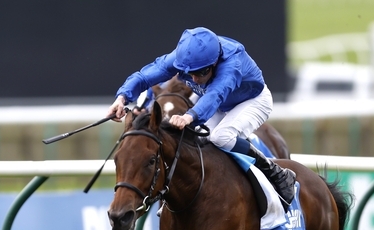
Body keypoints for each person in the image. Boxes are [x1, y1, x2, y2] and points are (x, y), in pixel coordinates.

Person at [106, 27, 295, 206]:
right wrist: (122, 97)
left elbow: (215, 94)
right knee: (193, 141)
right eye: (189, 74)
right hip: (219, 102)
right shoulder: (186, 57)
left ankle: (276, 173)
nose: (195, 79)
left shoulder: (232, 63)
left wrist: (190, 116)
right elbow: (147, 75)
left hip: (252, 100)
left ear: (214, 63)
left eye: (201, 72)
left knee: (221, 137)